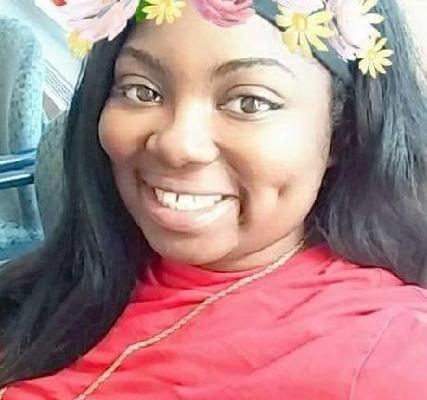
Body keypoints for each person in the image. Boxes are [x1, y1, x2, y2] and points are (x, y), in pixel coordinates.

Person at [0, 0, 427, 398]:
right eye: (142, 91)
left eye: (250, 102)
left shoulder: (387, 356)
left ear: (342, 132)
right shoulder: (89, 269)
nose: (178, 145)